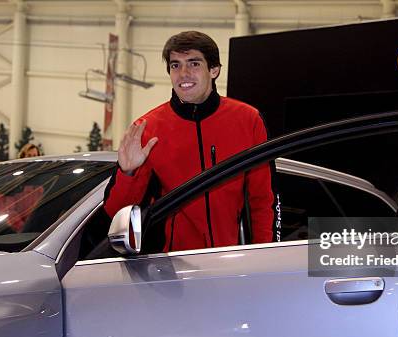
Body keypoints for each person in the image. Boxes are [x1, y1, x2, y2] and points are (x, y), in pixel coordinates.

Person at [104, 31, 277, 252]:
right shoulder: (147, 129)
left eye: (193, 63)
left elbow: (263, 200)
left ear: (214, 70)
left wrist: (263, 256)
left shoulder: (248, 119)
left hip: (230, 262)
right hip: (172, 269)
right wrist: (128, 173)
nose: (183, 74)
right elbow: (117, 214)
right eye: (175, 65)